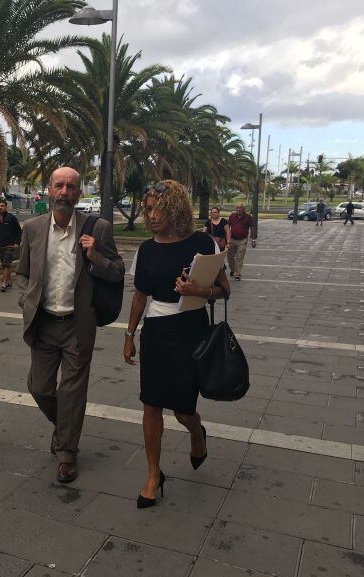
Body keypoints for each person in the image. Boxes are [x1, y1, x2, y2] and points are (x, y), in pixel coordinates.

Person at [123, 180, 230, 509]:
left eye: (158, 208)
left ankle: (197, 433)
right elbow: (141, 295)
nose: (151, 215)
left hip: (191, 331)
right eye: (148, 208)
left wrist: (200, 291)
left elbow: (224, 290)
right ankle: (154, 474)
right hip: (156, 331)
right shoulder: (147, 249)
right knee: (151, 404)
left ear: (176, 209)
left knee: (183, 410)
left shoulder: (202, 243)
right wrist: (128, 335)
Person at [16, 167, 124, 483]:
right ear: (49, 189)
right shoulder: (32, 228)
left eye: (71, 187)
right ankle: (65, 428)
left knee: (73, 393)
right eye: (59, 186)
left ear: (79, 193)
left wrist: (95, 257)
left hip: (78, 324)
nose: (64, 192)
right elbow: (22, 273)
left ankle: (66, 454)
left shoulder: (98, 228)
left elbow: (118, 271)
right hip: (44, 323)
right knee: (39, 387)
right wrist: (26, 299)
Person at [0, 200, 23, 292]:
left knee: (6, 264)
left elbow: (19, 231)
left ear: (6, 207)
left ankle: (4, 284)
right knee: (5, 265)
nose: (0, 207)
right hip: (1, 245)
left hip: (10, 245)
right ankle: (8, 282)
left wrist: (17, 242)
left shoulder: (11, 218)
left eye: (2, 206)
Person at [227, 202, 256, 280]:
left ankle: (237, 274)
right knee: (230, 257)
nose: (238, 209)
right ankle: (233, 269)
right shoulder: (232, 216)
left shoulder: (248, 217)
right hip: (232, 240)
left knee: (239, 258)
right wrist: (227, 239)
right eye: (237, 208)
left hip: (242, 240)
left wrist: (253, 239)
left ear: (243, 209)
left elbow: (252, 227)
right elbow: (227, 228)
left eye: (240, 208)